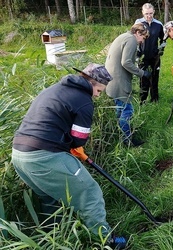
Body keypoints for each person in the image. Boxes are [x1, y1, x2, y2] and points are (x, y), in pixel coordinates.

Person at [11, 63, 127, 248]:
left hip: (19, 155)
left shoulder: (54, 89)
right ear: (91, 83)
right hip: (45, 156)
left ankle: (53, 239)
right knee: (90, 193)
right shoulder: (84, 101)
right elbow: (79, 140)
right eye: (98, 90)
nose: (97, 95)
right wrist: (74, 146)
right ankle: (108, 241)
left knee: (49, 198)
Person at [105, 23, 150, 147]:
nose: (142, 41)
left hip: (111, 79)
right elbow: (126, 62)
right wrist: (142, 73)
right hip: (118, 80)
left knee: (120, 109)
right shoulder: (131, 40)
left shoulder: (124, 36)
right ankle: (127, 141)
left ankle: (120, 135)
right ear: (138, 33)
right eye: (143, 37)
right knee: (127, 110)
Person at [134, 3, 165, 103]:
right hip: (142, 56)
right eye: (146, 13)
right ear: (142, 12)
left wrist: (160, 50)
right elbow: (133, 38)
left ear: (154, 12)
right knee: (143, 77)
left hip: (154, 56)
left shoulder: (158, 25)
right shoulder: (138, 23)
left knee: (154, 77)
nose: (149, 16)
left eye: (151, 13)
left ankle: (154, 99)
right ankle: (142, 99)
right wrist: (137, 53)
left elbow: (163, 39)